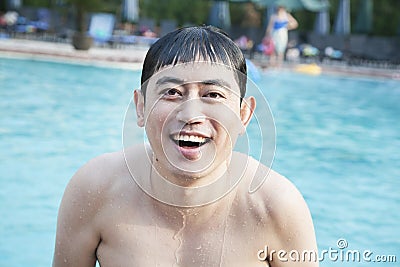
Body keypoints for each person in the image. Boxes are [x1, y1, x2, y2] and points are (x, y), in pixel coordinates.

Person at [53, 25, 318, 266]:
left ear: (243, 115)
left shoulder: (276, 206)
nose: (190, 115)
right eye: (172, 93)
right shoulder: (95, 189)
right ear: (141, 107)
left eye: (212, 95)